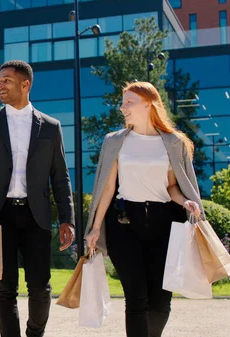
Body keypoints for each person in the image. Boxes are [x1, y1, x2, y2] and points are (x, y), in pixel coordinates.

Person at [84, 81, 202, 337]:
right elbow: (107, 188)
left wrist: (186, 202)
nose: (122, 107)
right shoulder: (115, 141)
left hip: (164, 224)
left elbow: (172, 186)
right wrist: (94, 228)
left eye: (129, 102)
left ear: (148, 104)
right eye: (123, 101)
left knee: (160, 302)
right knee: (136, 299)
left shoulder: (173, 142)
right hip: (124, 224)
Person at [0, 60, 75, 337]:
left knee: (40, 287)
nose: (0, 85)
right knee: (5, 287)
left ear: (25, 84)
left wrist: (68, 219)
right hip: (0, 215)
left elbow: (60, 176)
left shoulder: (50, 127)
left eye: (6, 80)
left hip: (35, 215)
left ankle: (34, 334)